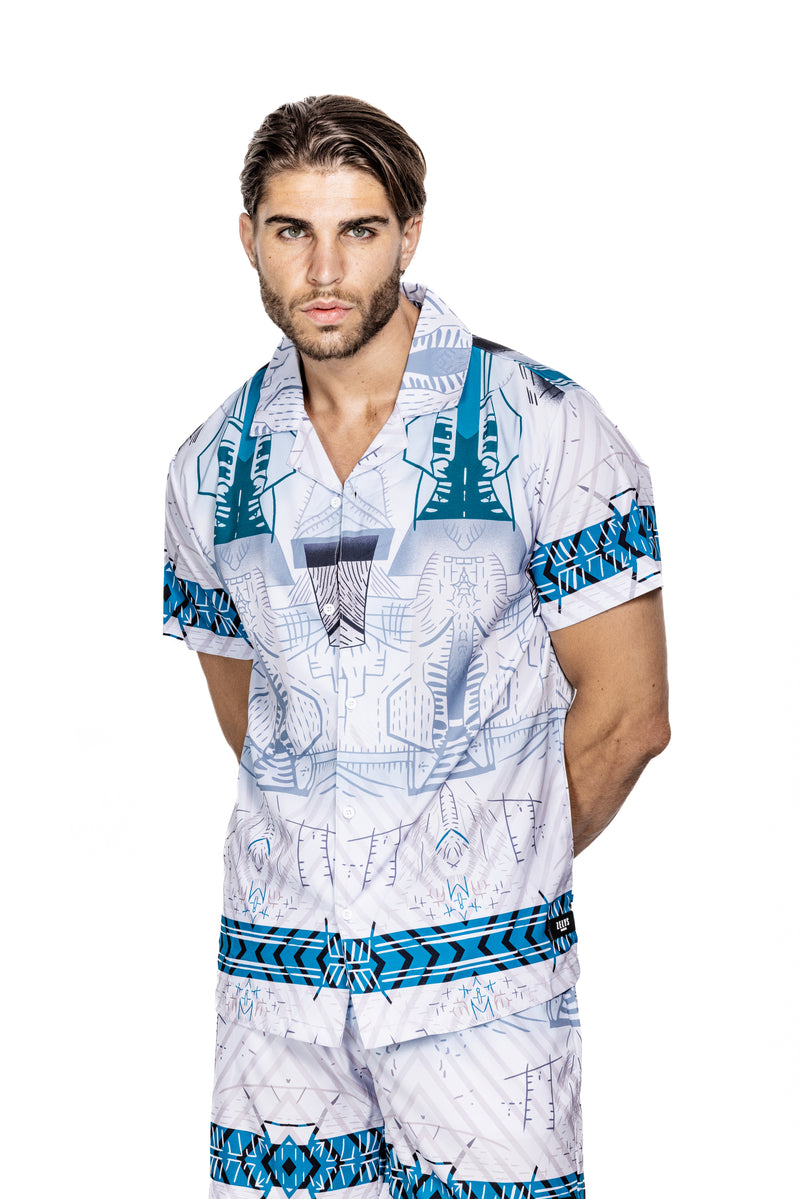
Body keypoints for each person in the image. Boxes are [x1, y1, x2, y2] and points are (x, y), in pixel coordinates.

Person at [163, 94, 669, 1199]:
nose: (324, 268)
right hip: (277, 998)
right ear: (248, 237)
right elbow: (255, 718)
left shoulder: (542, 422)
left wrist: (474, 871)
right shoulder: (210, 464)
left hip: (485, 1001)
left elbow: (630, 715)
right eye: (292, 230)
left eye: (359, 229)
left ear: (410, 232)